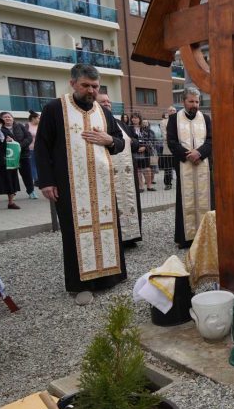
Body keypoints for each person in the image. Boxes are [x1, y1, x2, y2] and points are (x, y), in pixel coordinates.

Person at [35, 64, 127, 303]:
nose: (91, 91)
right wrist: (46, 181)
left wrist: (109, 140)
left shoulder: (104, 112)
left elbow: (120, 142)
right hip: (69, 185)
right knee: (74, 232)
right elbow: (42, 147)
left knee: (107, 227)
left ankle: (110, 277)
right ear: (73, 83)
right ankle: (81, 284)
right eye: (86, 85)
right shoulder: (55, 109)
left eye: (95, 86)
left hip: (102, 184)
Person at [166, 86, 213, 248]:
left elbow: (210, 140)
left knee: (205, 199)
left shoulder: (206, 119)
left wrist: (199, 153)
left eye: (197, 101)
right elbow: (171, 142)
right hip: (184, 165)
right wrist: (188, 154)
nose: (195, 105)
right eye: (191, 101)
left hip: (203, 166)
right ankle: (186, 238)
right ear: (183, 101)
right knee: (185, 201)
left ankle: (207, 236)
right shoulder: (174, 119)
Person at [97, 93, 142, 247]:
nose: (107, 103)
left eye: (109, 101)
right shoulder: (95, 123)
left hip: (127, 171)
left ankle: (131, 237)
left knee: (130, 201)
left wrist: (132, 142)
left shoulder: (120, 123)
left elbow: (135, 142)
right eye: (103, 101)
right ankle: (116, 239)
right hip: (109, 172)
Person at [0, 111, 36, 199]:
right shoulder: (0, 129)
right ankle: (13, 193)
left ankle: (31, 191)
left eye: (9, 117)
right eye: (5, 117)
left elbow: (29, 137)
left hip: (23, 154)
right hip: (10, 156)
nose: (7, 118)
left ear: (13, 118)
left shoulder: (20, 126)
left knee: (27, 174)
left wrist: (19, 145)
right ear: (1, 119)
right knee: (11, 175)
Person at [129, 113, 155, 192]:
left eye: (136, 118)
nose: (134, 119)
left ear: (140, 119)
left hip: (145, 151)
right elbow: (128, 139)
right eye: (133, 118)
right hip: (134, 151)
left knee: (147, 169)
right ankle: (140, 186)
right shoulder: (129, 128)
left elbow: (150, 139)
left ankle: (149, 186)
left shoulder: (144, 129)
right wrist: (136, 147)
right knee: (138, 169)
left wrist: (145, 147)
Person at [159, 106, 176, 190]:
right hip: (168, 148)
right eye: (170, 110)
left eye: (174, 110)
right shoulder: (164, 122)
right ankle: (168, 183)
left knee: (179, 167)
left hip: (179, 148)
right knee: (168, 167)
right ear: (168, 112)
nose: (172, 111)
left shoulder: (179, 121)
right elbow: (164, 134)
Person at [26, 111, 40, 187]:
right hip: (30, 148)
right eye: (38, 118)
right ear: (33, 118)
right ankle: (36, 179)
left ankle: (40, 178)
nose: (39, 119)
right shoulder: (27, 126)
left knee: (40, 164)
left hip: (40, 149)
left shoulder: (40, 125)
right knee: (33, 164)